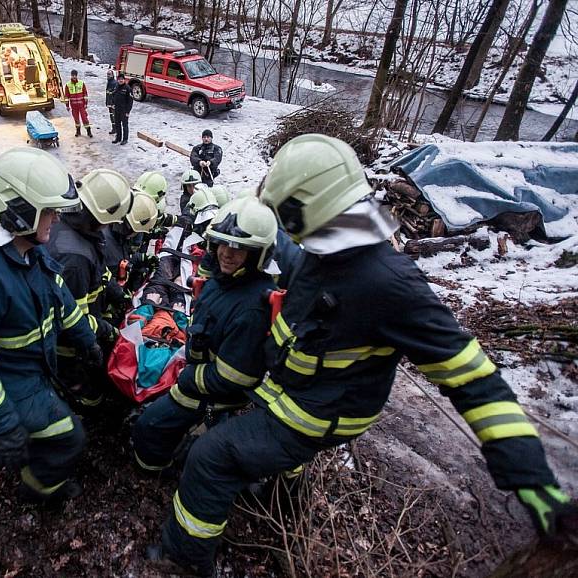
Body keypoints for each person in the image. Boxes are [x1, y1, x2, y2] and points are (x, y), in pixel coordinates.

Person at [147, 134, 576, 576]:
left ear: (314, 208)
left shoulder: (390, 284)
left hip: (316, 413)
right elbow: (285, 250)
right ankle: (279, 495)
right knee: (257, 448)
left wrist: (532, 478)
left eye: (289, 216)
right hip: (296, 390)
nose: (287, 228)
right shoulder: (328, 247)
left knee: (211, 457)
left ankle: (185, 558)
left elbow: (474, 379)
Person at [0, 148, 100, 505]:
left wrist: (88, 339)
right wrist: (4, 425)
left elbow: (58, 295)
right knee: (71, 438)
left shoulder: (26, 247)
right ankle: (38, 489)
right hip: (9, 384)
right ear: (19, 210)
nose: (55, 219)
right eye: (49, 211)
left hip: (31, 370)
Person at [133, 197, 277, 474]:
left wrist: (188, 378)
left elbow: (235, 377)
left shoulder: (251, 308)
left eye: (239, 248)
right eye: (222, 244)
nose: (227, 253)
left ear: (258, 254)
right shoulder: (226, 281)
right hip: (202, 374)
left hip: (212, 392)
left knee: (149, 427)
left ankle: (160, 467)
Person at [46, 168, 133, 407]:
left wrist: (118, 293)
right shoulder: (74, 257)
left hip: (78, 333)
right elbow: (74, 319)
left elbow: (100, 271)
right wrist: (107, 331)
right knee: (90, 397)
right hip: (67, 346)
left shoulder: (79, 231)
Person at [65, 69, 92, 138]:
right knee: (76, 119)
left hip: (81, 105)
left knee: (84, 118)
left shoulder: (81, 83)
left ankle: (89, 131)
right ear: (71, 76)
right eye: (73, 75)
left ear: (77, 76)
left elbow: (85, 94)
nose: (74, 76)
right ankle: (78, 131)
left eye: (75, 75)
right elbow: (66, 96)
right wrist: (67, 105)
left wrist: (86, 103)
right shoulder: (68, 85)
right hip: (74, 106)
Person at [111, 72, 133, 145]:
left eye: (122, 79)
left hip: (124, 110)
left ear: (124, 80)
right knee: (117, 124)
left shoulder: (128, 88)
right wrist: (113, 104)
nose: (120, 80)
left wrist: (128, 111)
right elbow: (113, 95)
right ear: (117, 80)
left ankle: (125, 139)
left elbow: (130, 101)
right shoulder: (116, 86)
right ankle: (118, 138)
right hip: (117, 109)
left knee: (124, 125)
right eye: (119, 79)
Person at [105, 68, 117, 135]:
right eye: (107, 74)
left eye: (109, 74)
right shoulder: (109, 82)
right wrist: (107, 102)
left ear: (113, 75)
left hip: (113, 104)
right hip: (109, 103)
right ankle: (114, 129)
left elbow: (115, 95)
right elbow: (108, 94)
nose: (108, 76)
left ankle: (117, 129)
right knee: (111, 116)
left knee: (115, 117)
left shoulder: (114, 83)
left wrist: (113, 103)